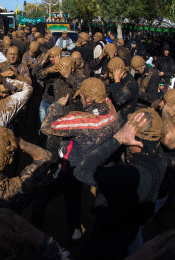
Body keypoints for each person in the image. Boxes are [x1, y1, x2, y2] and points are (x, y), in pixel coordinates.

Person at [74, 109, 167, 259]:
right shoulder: (159, 155)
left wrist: (118, 138)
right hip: (129, 228)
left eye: (129, 129)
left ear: (135, 139)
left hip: (109, 236)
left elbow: (82, 171)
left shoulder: (131, 174)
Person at [35, 78, 118, 241]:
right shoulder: (111, 113)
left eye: (82, 96)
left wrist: (58, 104)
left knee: (41, 194)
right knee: (73, 197)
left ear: (88, 99)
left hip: (69, 167)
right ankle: (75, 233)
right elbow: (106, 99)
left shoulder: (81, 119)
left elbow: (46, 127)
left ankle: (34, 231)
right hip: (87, 167)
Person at [108, 57, 139, 125]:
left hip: (124, 122)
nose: (109, 75)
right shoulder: (120, 81)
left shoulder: (131, 83)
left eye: (111, 73)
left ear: (120, 71)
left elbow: (120, 100)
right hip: (115, 119)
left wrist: (116, 79)